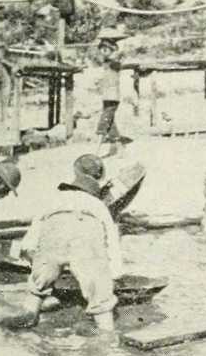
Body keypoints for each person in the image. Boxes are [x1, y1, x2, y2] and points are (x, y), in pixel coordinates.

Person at [19, 154, 121, 330]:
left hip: (53, 230)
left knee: (37, 288)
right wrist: (115, 273)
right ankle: (107, 338)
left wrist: (35, 260)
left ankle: (25, 324)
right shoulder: (98, 205)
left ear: (74, 174)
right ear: (99, 179)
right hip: (86, 233)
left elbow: (32, 237)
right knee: (101, 299)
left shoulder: (53, 199)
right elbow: (111, 239)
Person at [92, 26, 130, 157]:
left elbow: (116, 57)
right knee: (110, 122)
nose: (103, 51)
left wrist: (115, 48)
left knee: (104, 122)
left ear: (112, 50)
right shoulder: (107, 62)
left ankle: (96, 151)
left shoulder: (115, 61)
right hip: (107, 96)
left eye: (105, 49)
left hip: (113, 97)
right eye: (102, 49)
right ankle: (120, 149)